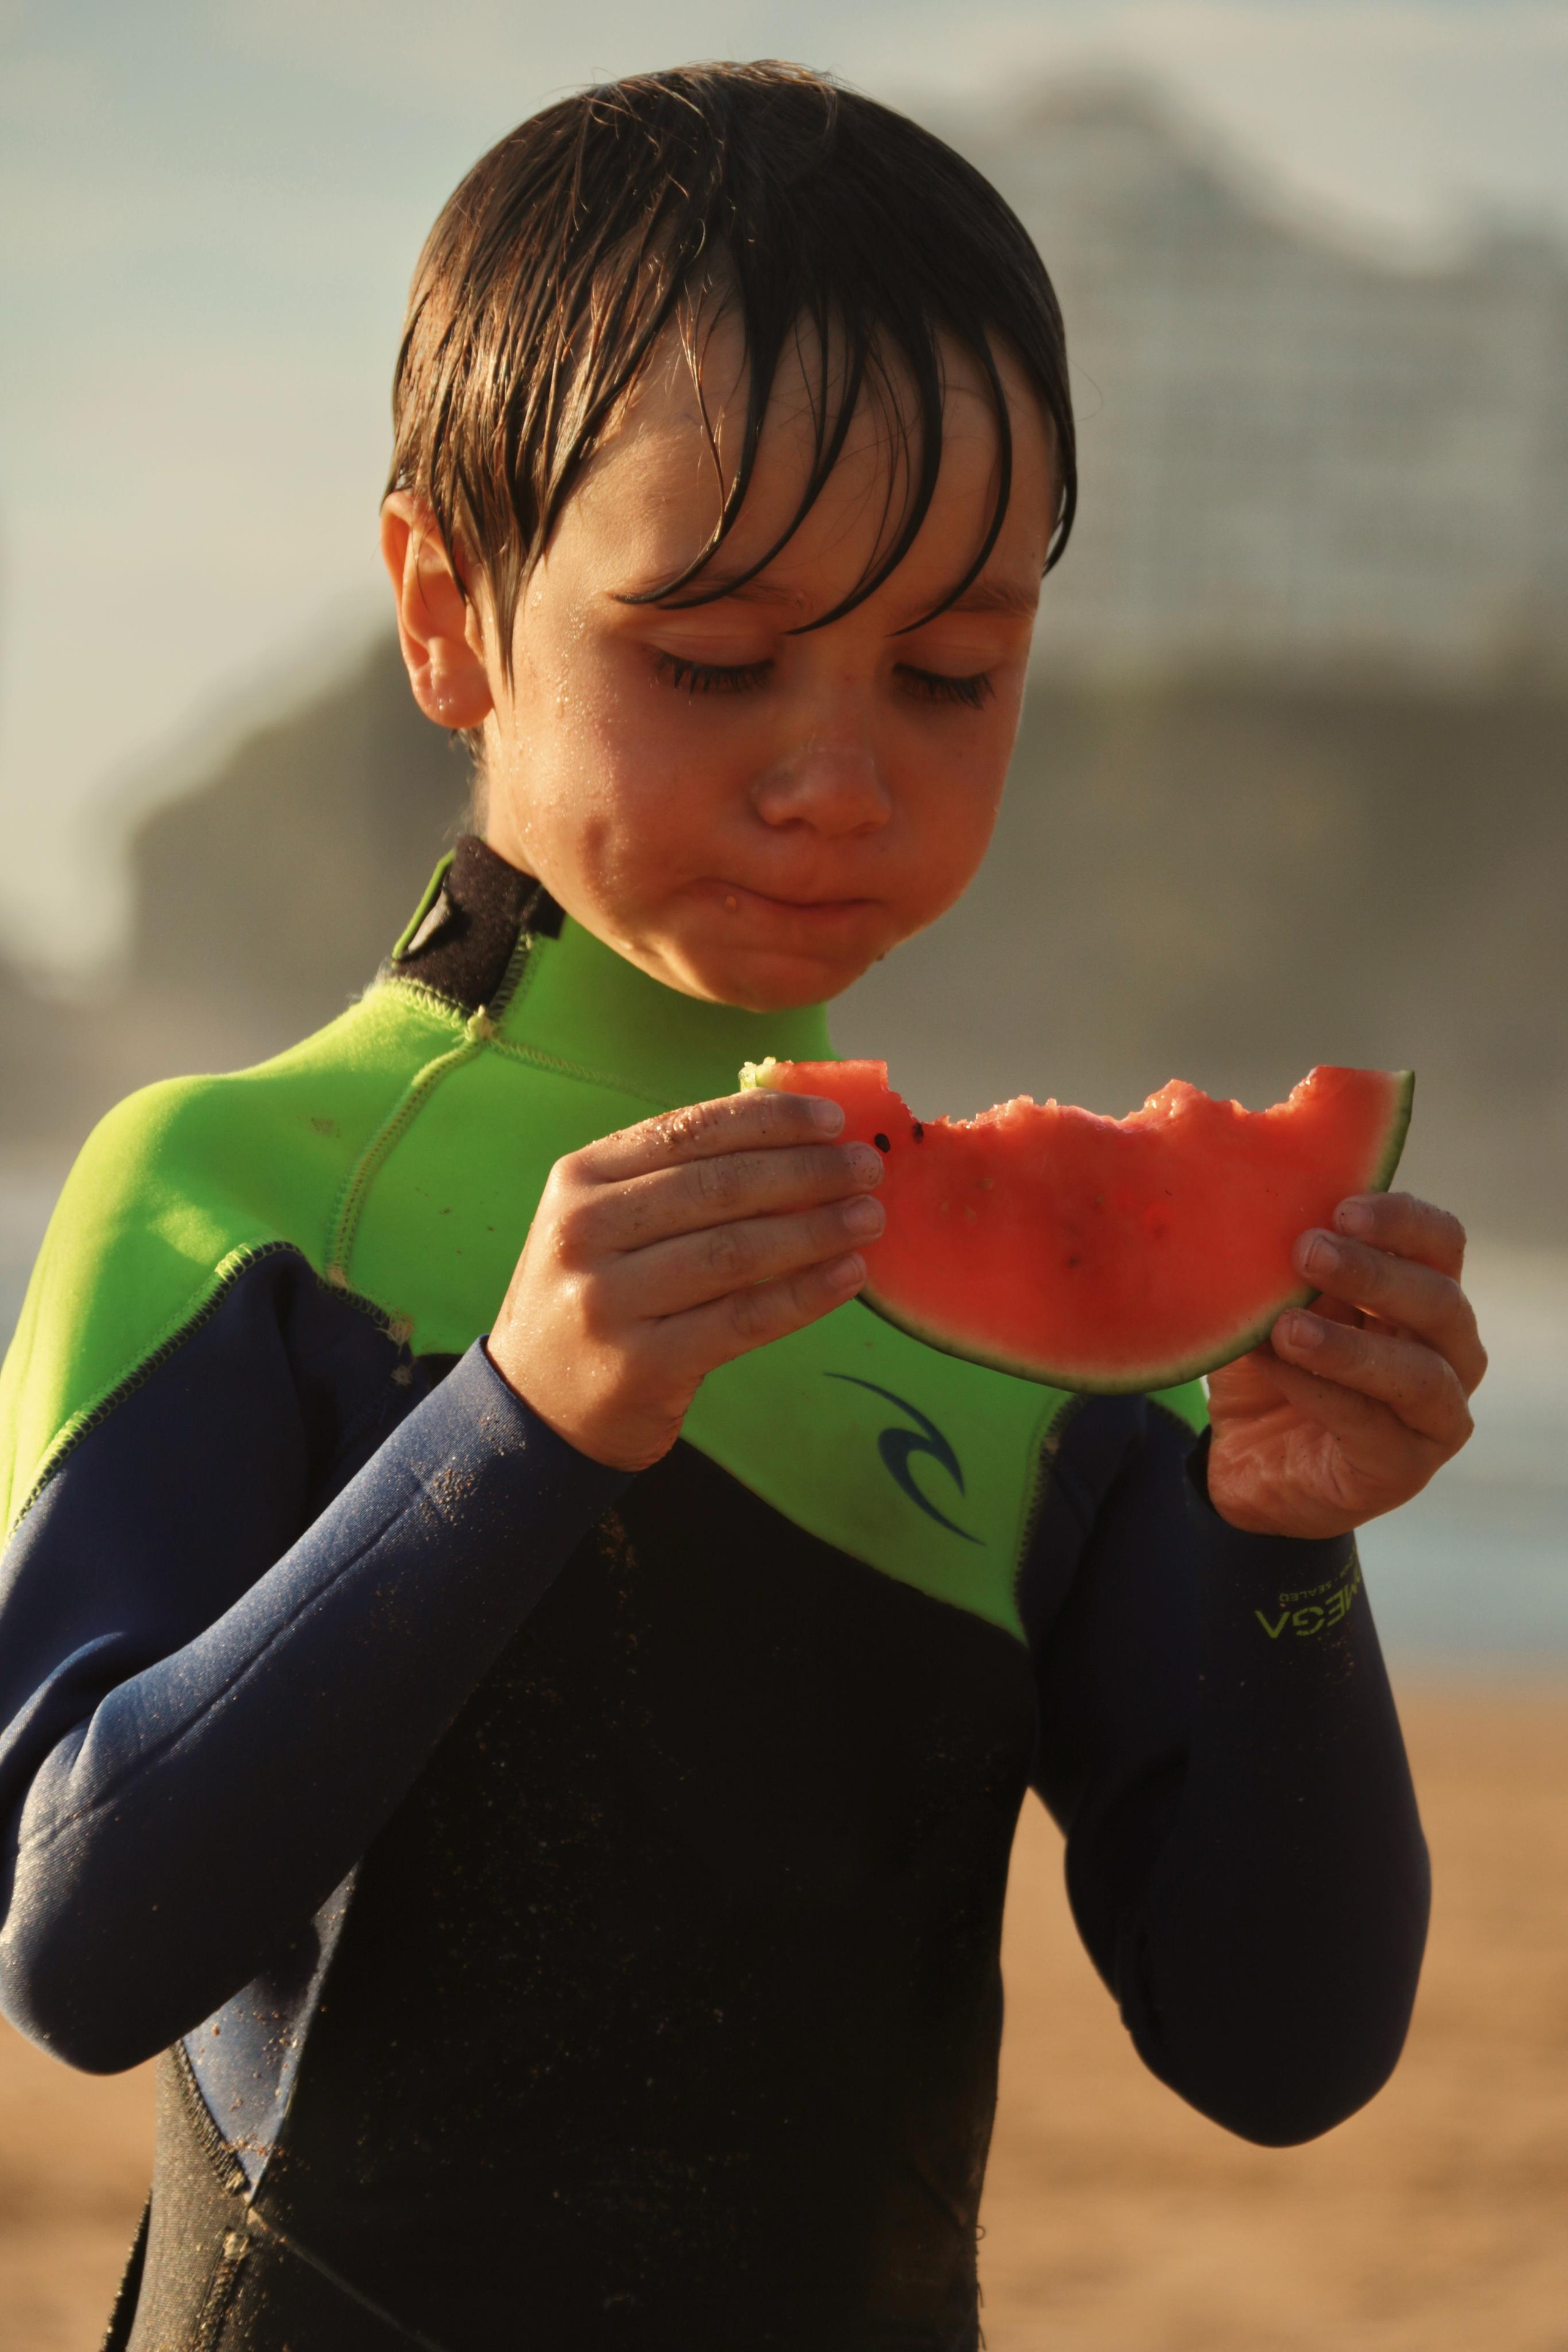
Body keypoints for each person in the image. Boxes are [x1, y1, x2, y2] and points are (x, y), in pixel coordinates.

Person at [0, 62, 1483, 2352]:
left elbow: (1280, 2055)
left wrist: (1291, 1543)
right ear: (449, 610)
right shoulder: (240, 1197)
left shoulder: (1030, 1343)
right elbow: (89, 1949)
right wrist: (515, 1428)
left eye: (952, 670)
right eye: (711, 661)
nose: (836, 774)